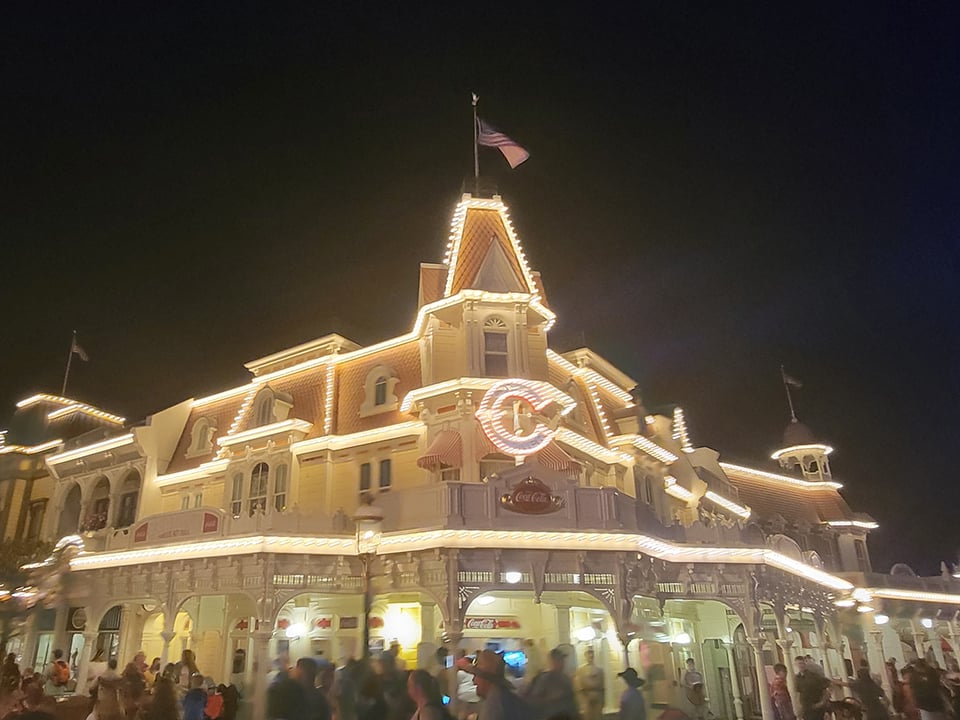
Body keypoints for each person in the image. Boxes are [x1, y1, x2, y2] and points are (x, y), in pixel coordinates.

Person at [456, 649, 530, 720]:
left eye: (476, 676)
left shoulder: (496, 705)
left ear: (486, 680)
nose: (473, 680)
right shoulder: (502, 697)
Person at [526, 648, 579, 719]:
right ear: (552, 661)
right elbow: (533, 700)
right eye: (558, 660)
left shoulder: (566, 678)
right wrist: (550, 698)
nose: (562, 663)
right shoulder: (544, 679)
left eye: (562, 660)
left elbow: (572, 701)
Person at [794, 656, 830, 720]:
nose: (801, 665)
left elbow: (827, 687)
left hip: (816, 706)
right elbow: (798, 693)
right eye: (799, 663)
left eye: (802, 663)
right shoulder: (797, 678)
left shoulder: (814, 676)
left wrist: (822, 702)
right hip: (806, 708)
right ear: (796, 665)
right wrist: (799, 707)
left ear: (805, 663)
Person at [574, 648, 605, 720]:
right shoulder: (581, 670)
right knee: (588, 715)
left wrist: (603, 699)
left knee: (598, 716)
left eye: (592, 653)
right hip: (586, 696)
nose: (590, 655)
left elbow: (602, 686)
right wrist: (581, 697)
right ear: (585, 655)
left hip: (597, 695)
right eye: (588, 653)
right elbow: (578, 685)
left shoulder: (599, 670)